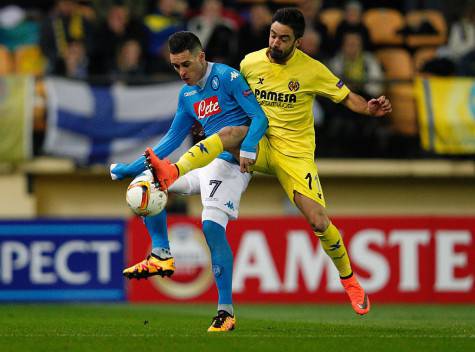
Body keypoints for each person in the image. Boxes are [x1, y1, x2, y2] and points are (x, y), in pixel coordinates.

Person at [147, 8, 392, 315]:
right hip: (258, 143)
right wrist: (207, 117)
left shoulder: (313, 70)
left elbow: (346, 97)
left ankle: (349, 279)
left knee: (318, 220)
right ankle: (172, 171)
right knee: (230, 132)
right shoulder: (250, 62)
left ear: (298, 43)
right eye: (273, 35)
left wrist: (369, 107)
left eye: (283, 38)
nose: (275, 42)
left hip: (294, 155)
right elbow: (233, 95)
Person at [110, 31, 268, 332]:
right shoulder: (187, 96)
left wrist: (248, 148)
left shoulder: (228, 78)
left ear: (201, 57)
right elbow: (170, 140)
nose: (182, 72)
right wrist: (130, 168)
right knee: (145, 184)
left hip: (232, 165)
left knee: (210, 226)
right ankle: (161, 254)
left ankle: (226, 311)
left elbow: (259, 118)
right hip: (204, 162)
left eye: (185, 64)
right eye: (175, 66)